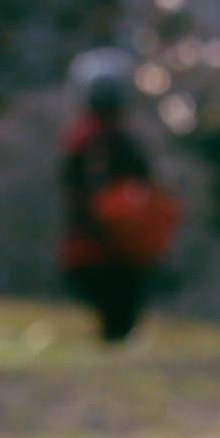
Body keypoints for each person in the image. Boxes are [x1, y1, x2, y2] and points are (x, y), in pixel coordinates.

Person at [56, 62, 181, 343]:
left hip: (98, 247)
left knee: (115, 320)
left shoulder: (82, 140)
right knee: (118, 318)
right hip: (112, 249)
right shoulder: (107, 141)